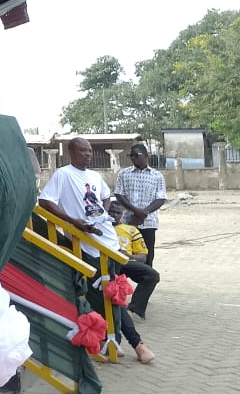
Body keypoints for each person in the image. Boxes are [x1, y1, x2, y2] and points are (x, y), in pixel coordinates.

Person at [38, 138, 154, 364]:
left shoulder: (94, 176)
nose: (88, 154)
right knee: (106, 296)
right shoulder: (63, 175)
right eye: (83, 150)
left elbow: (105, 196)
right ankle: (132, 343)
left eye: (90, 151)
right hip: (87, 245)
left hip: (109, 242)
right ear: (71, 152)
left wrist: (104, 213)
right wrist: (73, 221)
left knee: (113, 295)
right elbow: (45, 202)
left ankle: (116, 341)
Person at [114, 143, 168, 266]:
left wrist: (145, 212)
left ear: (145, 156)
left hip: (148, 222)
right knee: (125, 255)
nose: (132, 158)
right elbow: (119, 194)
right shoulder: (123, 174)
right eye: (130, 155)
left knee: (147, 257)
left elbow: (160, 198)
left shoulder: (157, 176)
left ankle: (146, 277)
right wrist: (136, 211)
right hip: (128, 222)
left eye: (135, 155)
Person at [109, 197, 161, 320]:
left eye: (117, 213)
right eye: (111, 211)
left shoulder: (131, 230)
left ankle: (134, 310)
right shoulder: (100, 228)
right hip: (106, 261)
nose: (114, 215)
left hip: (126, 262)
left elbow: (143, 257)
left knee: (152, 275)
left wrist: (130, 256)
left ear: (122, 214)